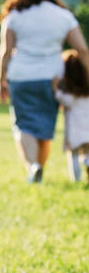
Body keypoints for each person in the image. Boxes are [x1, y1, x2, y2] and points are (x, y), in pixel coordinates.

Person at [0, 0, 89, 183]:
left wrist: (0, 80)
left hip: (21, 77)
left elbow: (6, 51)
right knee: (44, 128)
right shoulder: (63, 16)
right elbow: (82, 49)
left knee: (23, 126)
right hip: (52, 78)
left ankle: (33, 166)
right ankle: (38, 167)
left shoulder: (14, 16)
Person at [55, 49, 89, 183]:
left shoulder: (69, 95)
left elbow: (62, 100)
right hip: (88, 129)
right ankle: (87, 162)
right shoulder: (86, 92)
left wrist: (55, 88)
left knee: (73, 155)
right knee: (87, 152)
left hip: (74, 130)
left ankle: (76, 181)